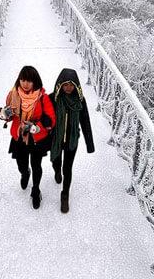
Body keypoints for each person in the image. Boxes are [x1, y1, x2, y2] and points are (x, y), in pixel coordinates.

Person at [0, 66, 56, 209]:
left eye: (29, 81)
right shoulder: (13, 95)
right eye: (23, 80)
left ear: (35, 82)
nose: (25, 84)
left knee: (37, 166)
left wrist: (36, 127)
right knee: (21, 165)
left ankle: (36, 190)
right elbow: (9, 116)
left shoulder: (43, 97)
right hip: (19, 138)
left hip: (37, 139)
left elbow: (51, 119)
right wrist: (4, 114)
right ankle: (25, 173)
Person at [49, 68, 94, 213]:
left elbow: (85, 122)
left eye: (71, 85)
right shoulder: (53, 98)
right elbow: (42, 118)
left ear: (76, 86)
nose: (68, 88)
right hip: (55, 139)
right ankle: (56, 171)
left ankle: (65, 195)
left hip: (71, 141)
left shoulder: (80, 101)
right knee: (56, 161)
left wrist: (90, 144)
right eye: (65, 84)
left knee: (67, 168)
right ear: (60, 85)